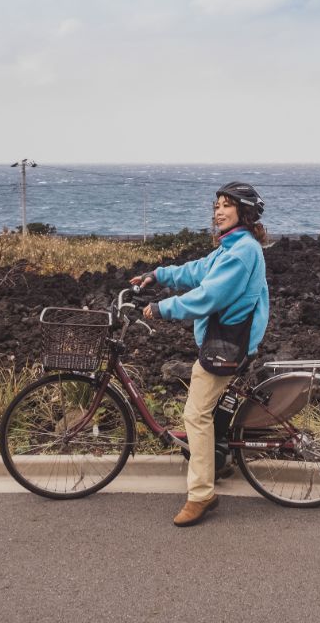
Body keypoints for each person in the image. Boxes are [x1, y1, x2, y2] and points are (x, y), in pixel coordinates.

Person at [131, 182, 270, 527]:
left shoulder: (242, 252)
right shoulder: (232, 246)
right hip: (224, 339)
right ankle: (216, 458)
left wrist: (162, 308)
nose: (218, 211)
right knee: (210, 412)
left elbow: (209, 296)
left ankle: (201, 494)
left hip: (228, 345)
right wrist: (158, 275)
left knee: (195, 416)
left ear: (244, 212)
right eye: (217, 205)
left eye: (227, 205)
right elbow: (197, 271)